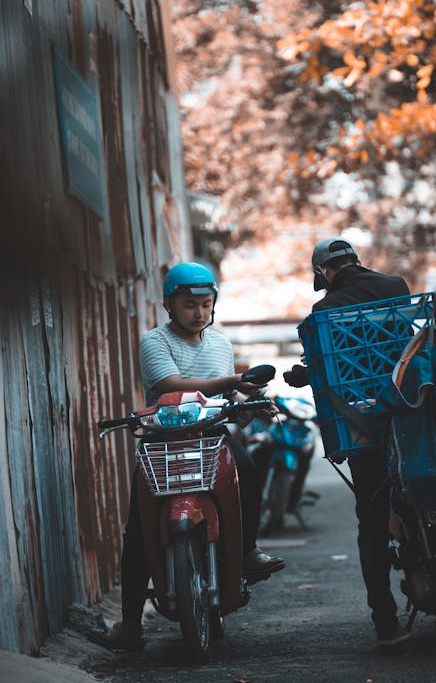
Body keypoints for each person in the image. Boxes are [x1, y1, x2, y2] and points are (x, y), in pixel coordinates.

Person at [103, 261, 285, 650]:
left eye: (205, 303)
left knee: (249, 472)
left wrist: (249, 401)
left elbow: (225, 395)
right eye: (189, 304)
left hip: (211, 436)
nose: (198, 312)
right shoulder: (155, 341)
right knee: (139, 530)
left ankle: (247, 550)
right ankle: (131, 625)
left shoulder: (220, 343)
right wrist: (232, 381)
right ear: (170, 304)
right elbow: (171, 383)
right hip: (163, 440)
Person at [284, 237, 411, 647]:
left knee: (371, 522)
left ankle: (386, 624)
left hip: (362, 428)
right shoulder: (396, 287)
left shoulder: (324, 310)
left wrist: (301, 376)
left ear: (324, 272)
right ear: (355, 260)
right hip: (411, 419)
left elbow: (327, 369)